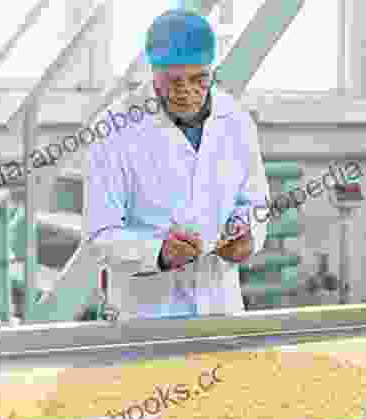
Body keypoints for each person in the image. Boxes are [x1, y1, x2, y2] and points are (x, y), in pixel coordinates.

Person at [86, 9, 270, 319]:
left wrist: (248, 237)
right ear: (153, 72)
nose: (186, 92)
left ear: (211, 70)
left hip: (219, 306)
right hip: (145, 314)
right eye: (173, 81)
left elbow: (256, 202)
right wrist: (158, 253)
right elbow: (99, 235)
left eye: (199, 79)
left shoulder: (236, 121)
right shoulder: (114, 129)